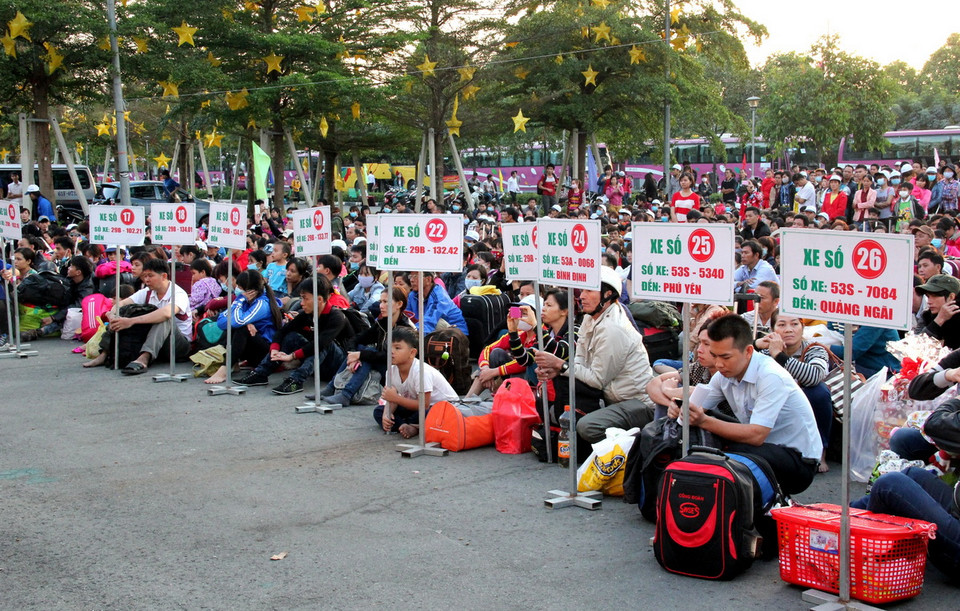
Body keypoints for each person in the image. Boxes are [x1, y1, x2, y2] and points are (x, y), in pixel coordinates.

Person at [667, 315, 821, 494]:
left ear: (748, 351)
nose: (718, 364)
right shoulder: (722, 375)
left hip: (797, 462)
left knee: (720, 452)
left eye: (726, 357)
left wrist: (702, 420)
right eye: (715, 356)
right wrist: (680, 409)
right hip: (762, 448)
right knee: (695, 441)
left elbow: (756, 435)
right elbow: (697, 406)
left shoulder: (770, 376)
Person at [534, 266, 657, 444]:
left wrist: (561, 365)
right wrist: (558, 370)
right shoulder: (589, 318)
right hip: (609, 397)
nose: (582, 295)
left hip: (636, 402)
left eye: (589, 290)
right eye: (582, 289)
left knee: (586, 427)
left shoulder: (613, 328)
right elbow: (580, 359)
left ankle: (635, 445)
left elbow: (597, 379)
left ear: (608, 295)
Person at [236, 275, 354, 395]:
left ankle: (296, 381)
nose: (301, 303)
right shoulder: (307, 314)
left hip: (338, 366)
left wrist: (292, 356)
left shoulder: (337, 317)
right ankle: (261, 373)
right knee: (291, 336)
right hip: (316, 363)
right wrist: (274, 349)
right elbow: (282, 331)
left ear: (318, 299)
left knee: (323, 344)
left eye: (305, 298)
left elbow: (320, 343)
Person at [84, 258, 194, 374]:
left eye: (150, 276)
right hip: (155, 341)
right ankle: (105, 354)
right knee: (121, 314)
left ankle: (144, 358)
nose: (146, 280)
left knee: (164, 319)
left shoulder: (178, 293)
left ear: (164, 276)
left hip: (178, 345)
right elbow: (121, 304)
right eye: (145, 276)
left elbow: (166, 313)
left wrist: (131, 321)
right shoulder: (146, 292)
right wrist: (112, 314)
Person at [308, 287, 414, 406]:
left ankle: (346, 395)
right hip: (383, 364)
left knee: (367, 353)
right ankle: (331, 388)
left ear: (399, 304)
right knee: (362, 350)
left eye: (386, 302)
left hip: (399, 371)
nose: (381, 306)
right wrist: (353, 354)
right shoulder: (383, 322)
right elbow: (358, 338)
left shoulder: (406, 329)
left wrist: (360, 355)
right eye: (381, 302)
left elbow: (392, 356)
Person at [757, 312, 832, 472]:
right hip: (774, 403)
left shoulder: (815, 348)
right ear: (772, 330)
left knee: (819, 392)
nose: (789, 329)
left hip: (807, 404)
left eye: (794, 324)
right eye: (782, 325)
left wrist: (778, 355)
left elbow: (813, 376)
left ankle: (821, 451)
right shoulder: (764, 352)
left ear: (802, 327)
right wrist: (757, 344)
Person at [374, 326, 459, 438]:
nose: (392, 352)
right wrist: (387, 413)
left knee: (431, 415)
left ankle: (414, 427)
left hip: (441, 407)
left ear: (412, 353)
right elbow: (392, 398)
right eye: (389, 348)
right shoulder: (391, 371)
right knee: (379, 411)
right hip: (414, 407)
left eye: (397, 348)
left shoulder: (421, 371)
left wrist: (396, 398)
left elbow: (424, 405)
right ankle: (406, 425)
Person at [204, 270, 283, 385]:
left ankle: (226, 368)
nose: (238, 291)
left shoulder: (262, 304)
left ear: (251, 290)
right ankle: (233, 364)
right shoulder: (244, 301)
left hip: (267, 353)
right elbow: (221, 322)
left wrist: (240, 303)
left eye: (240, 288)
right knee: (236, 326)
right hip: (253, 350)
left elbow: (238, 321)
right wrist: (241, 308)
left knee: (241, 328)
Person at [407, 271, 469, 335]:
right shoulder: (412, 295)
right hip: (434, 330)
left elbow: (430, 321)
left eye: (415, 276)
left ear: (428, 279)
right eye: (410, 277)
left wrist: (412, 335)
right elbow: (407, 316)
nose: (411, 280)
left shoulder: (439, 296)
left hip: (456, 334)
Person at [915, 274, 960, 350]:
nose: (929, 301)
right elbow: (915, 345)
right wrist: (938, 320)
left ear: (951, 297)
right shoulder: (926, 315)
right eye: (928, 296)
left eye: (934, 296)